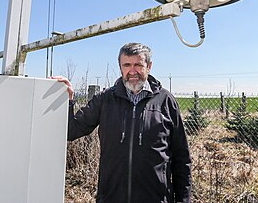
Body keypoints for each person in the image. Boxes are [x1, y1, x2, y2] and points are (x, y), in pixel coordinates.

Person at [52, 42, 192, 203]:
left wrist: (183, 200)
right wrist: (67, 101)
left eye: (138, 65)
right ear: (120, 67)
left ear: (149, 66)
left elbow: (182, 158)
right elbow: (71, 131)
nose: (132, 71)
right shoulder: (105, 100)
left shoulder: (166, 102)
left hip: (156, 198)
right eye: (127, 65)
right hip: (112, 197)